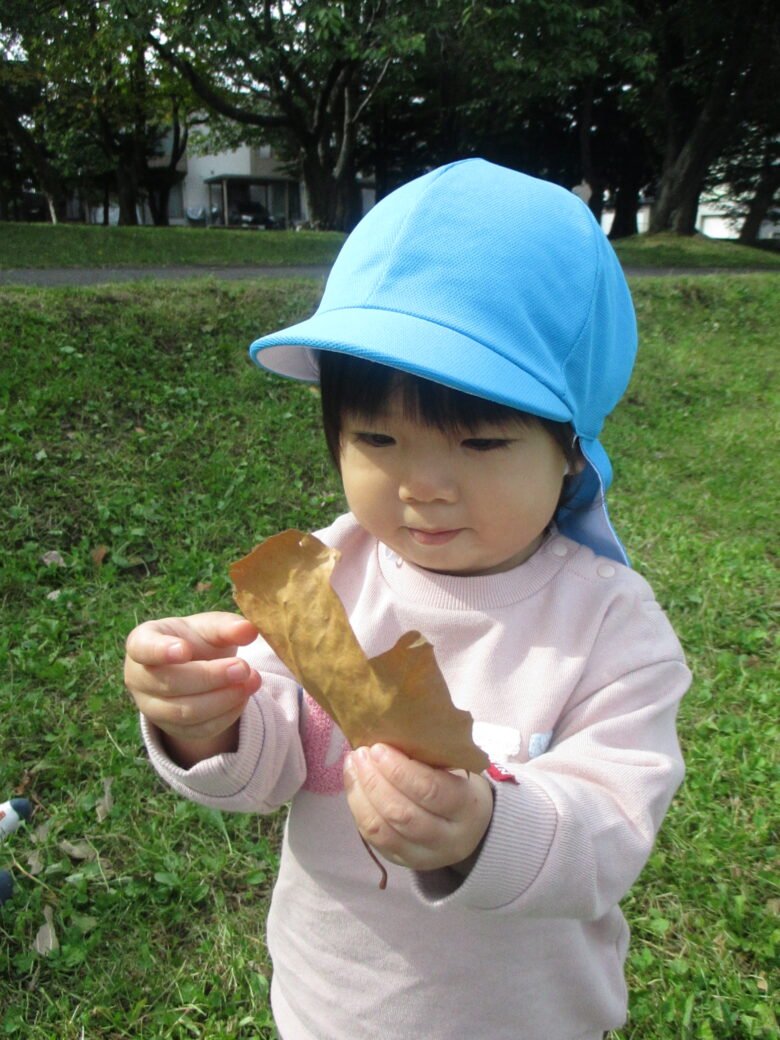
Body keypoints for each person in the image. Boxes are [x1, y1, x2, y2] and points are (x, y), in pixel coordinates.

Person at [125, 159, 690, 1040]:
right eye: (378, 436)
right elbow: (271, 764)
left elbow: (610, 834)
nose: (426, 485)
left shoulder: (612, 631)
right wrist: (208, 720)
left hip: (525, 1018)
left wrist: (487, 825)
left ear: (572, 450)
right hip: (329, 1006)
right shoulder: (329, 576)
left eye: (482, 441)